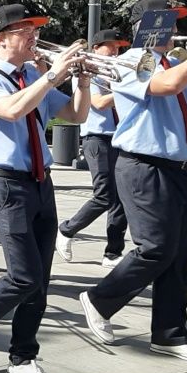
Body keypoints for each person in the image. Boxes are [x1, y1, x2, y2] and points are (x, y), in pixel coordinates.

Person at [78, 0, 187, 364]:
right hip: (144, 166)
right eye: (169, 22)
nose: (176, 30)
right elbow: (166, 87)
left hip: (179, 170)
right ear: (147, 25)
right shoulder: (130, 61)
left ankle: (169, 334)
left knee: (178, 255)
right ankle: (100, 299)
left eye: (176, 22)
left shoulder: (174, 62)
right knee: (155, 248)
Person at [0, 3, 89, 373]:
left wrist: (80, 80)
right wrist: (52, 76)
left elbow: (76, 116)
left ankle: (24, 357)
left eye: (34, 30)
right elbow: (12, 111)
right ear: (1, 39)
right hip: (6, 182)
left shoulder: (33, 73)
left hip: (41, 181)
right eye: (24, 31)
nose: (34, 37)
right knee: (23, 275)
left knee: (40, 279)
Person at [55, 29, 131, 268]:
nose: (116, 51)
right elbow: (97, 103)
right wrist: (127, 88)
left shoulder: (114, 73)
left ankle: (113, 252)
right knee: (104, 195)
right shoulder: (87, 72)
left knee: (121, 198)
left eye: (118, 47)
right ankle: (67, 230)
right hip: (96, 139)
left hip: (117, 138)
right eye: (111, 46)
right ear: (96, 48)